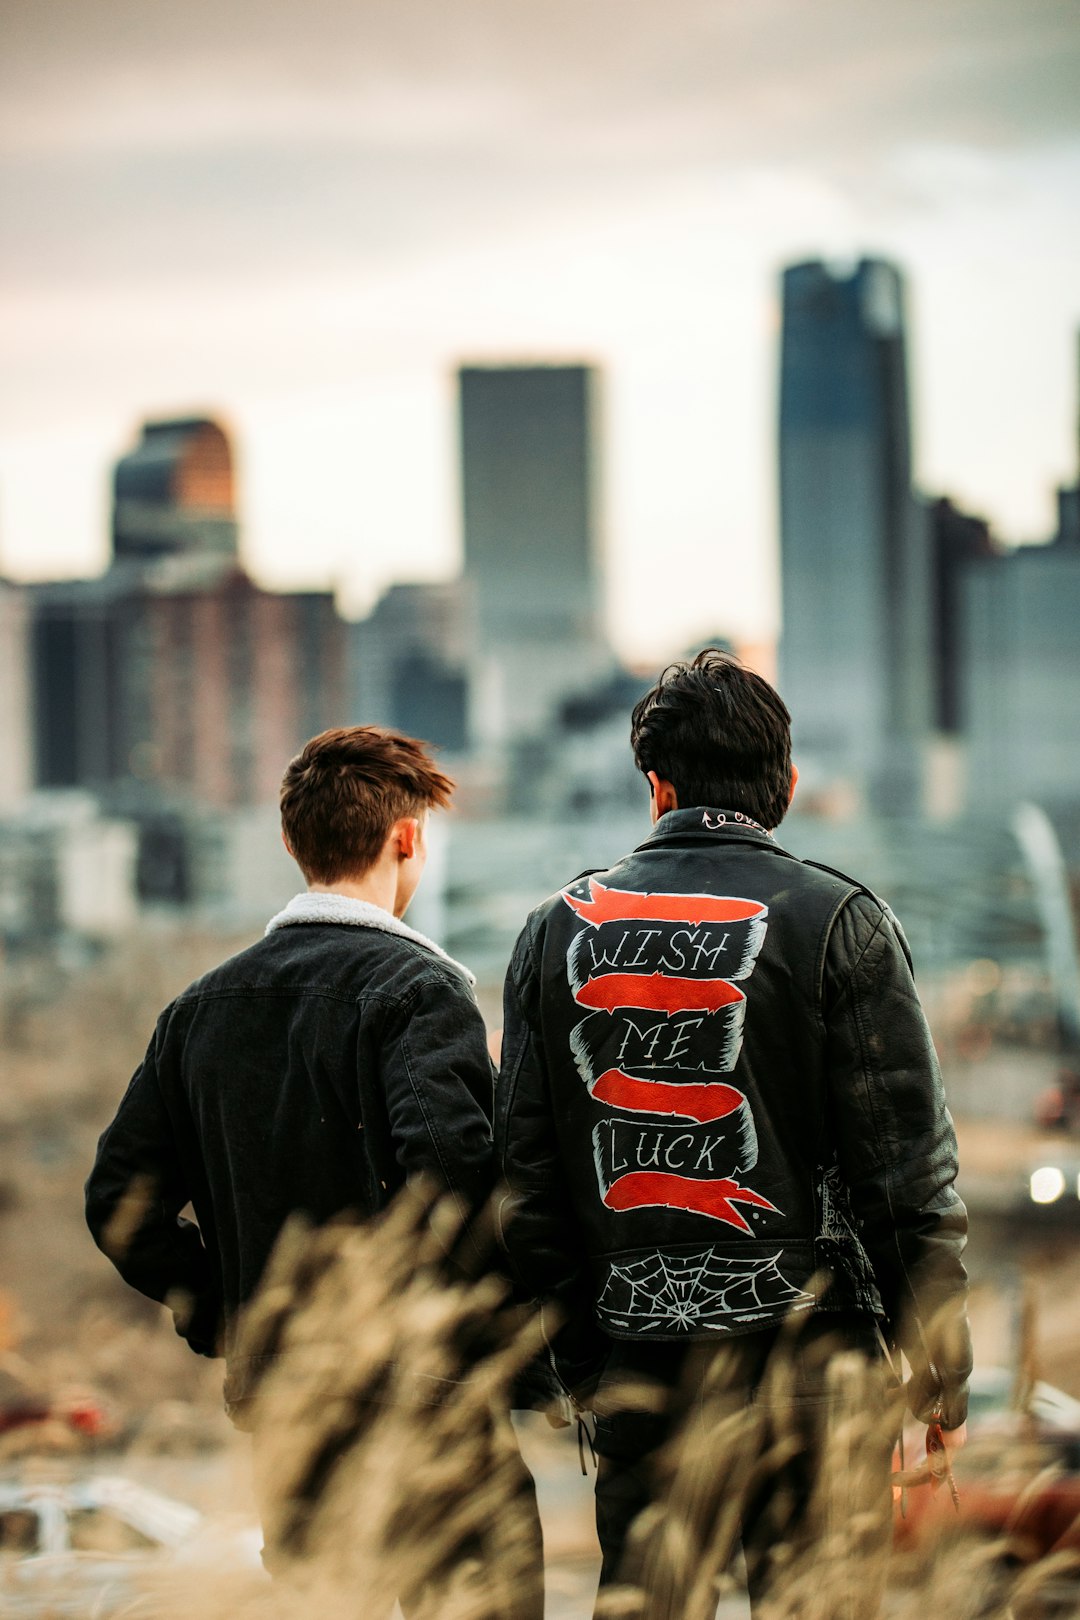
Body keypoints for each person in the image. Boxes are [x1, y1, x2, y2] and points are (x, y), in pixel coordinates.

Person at [494, 650, 971, 1612]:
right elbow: (906, 1177)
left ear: (656, 784)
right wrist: (939, 1375)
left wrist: (588, 1366)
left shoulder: (555, 932)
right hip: (820, 1379)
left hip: (644, 1373)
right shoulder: (842, 921)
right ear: (787, 784)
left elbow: (525, 1188)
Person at [86, 725, 541, 1612]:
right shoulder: (418, 992)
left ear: (293, 843)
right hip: (428, 1407)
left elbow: (117, 1204)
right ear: (409, 838)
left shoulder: (197, 1011)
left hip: (289, 1419)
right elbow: (453, 1177)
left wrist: (230, 1311)